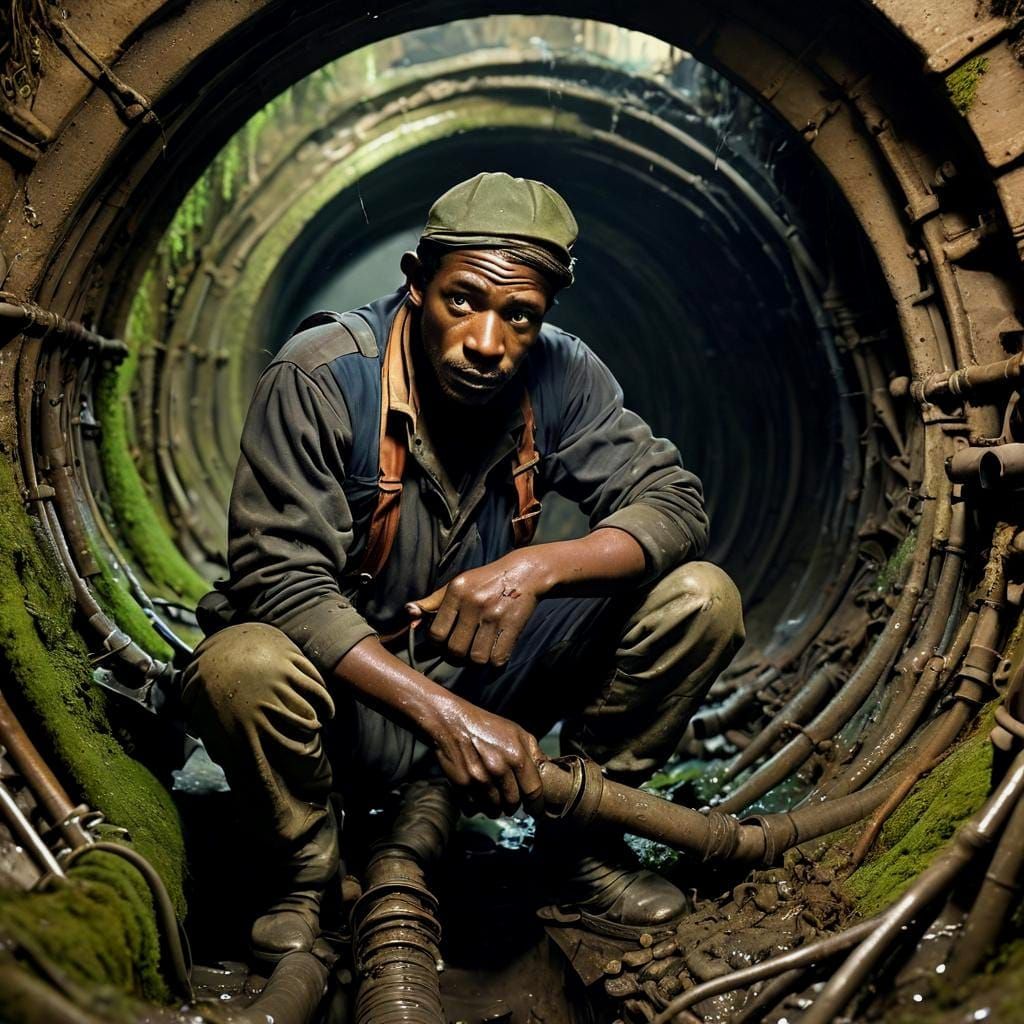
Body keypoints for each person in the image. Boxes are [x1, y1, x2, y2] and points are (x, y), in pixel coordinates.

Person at [183, 171, 745, 964]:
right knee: (239, 665)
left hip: (487, 671)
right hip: (349, 700)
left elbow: (674, 502)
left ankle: (581, 844)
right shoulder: (321, 377)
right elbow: (282, 583)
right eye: (462, 300)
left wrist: (533, 571)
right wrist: (449, 720)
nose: (487, 341)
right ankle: (307, 874)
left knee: (700, 599)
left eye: (519, 315)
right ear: (417, 283)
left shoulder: (562, 374)